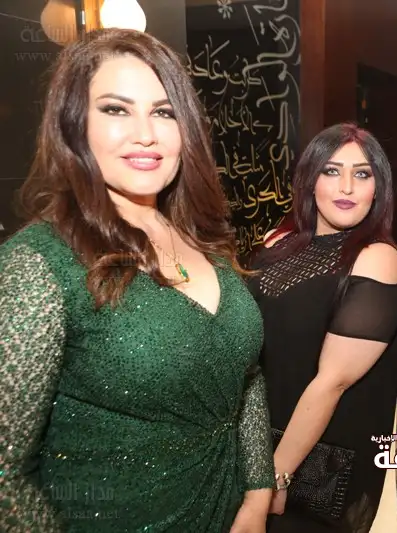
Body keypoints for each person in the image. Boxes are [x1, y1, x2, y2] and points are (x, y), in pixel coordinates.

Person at [0, 29, 274, 532]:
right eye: (116, 109)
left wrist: (258, 493)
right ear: (73, 124)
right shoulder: (38, 264)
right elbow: (5, 476)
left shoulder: (206, 239)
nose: (146, 134)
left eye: (164, 112)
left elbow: (246, 376)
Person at [246, 123, 397, 533]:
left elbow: (331, 382)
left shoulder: (377, 259)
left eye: (362, 174)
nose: (347, 187)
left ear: (378, 189)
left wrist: (276, 476)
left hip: (315, 468)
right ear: (310, 180)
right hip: (253, 442)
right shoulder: (276, 243)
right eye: (332, 171)